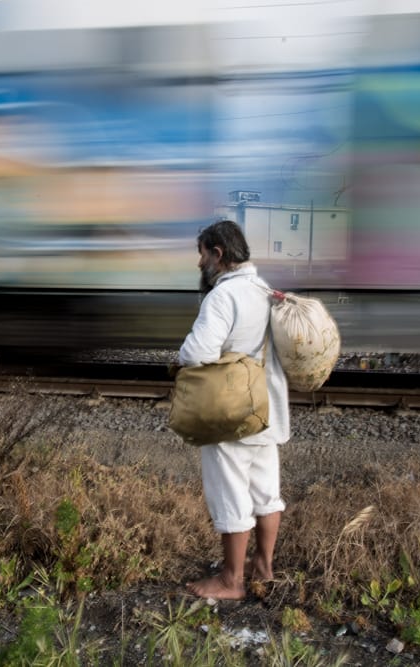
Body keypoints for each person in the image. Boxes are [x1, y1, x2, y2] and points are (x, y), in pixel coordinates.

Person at [179, 219, 290, 600]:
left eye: (202, 254)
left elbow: (197, 353)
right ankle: (263, 566)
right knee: (266, 492)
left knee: (231, 492)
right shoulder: (265, 290)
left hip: (234, 411)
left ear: (218, 254)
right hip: (268, 410)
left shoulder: (223, 296)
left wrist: (181, 361)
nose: (199, 264)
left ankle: (231, 581)